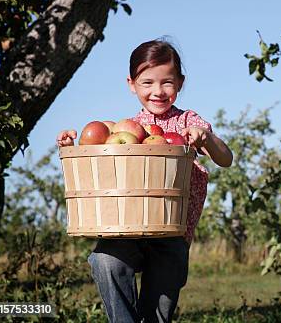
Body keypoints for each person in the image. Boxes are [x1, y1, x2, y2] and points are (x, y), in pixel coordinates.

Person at [56, 39, 233, 322]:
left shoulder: (188, 124)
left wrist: (207, 138)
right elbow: (106, 169)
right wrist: (73, 145)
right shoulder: (127, 128)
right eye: (147, 82)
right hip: (129, 230)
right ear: (131, 84)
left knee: (156, 314)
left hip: (172, 233)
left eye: (167, 82)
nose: (157, 91)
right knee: (105, 261)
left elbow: (226, 159)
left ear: (180, 83)